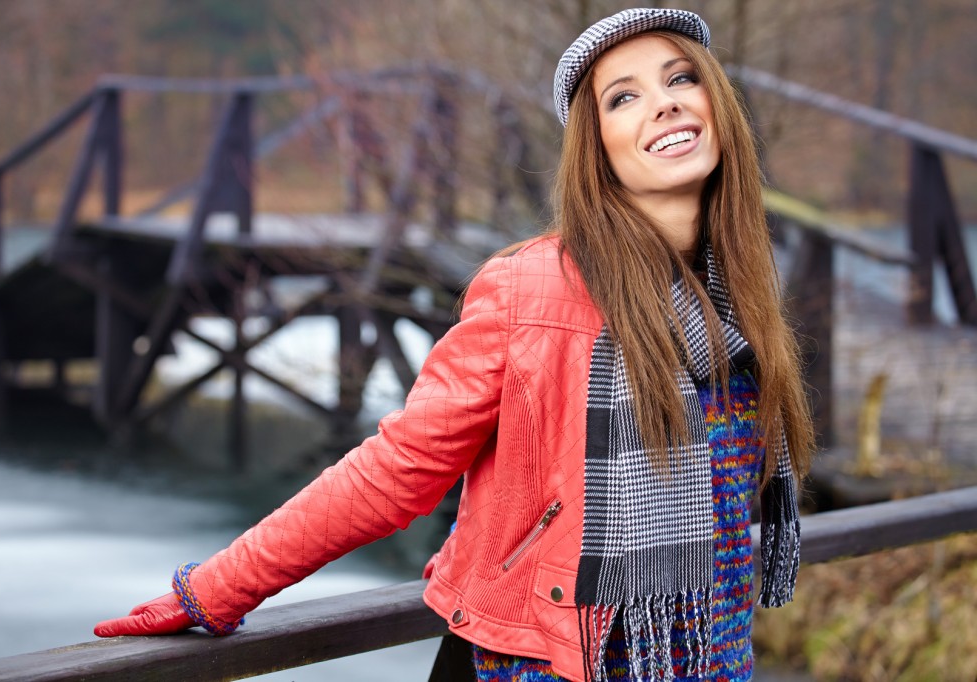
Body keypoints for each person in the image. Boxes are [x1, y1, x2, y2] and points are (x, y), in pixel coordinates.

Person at [95, 8, 814, 681]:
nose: (664, 102)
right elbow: (399, 466)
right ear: (597, 151)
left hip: (706, 656)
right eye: (622, 98)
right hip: (538, 665)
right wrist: (217, 589)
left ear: (717, 104)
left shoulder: (737, 297)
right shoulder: (534, 287)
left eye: (681, 77)